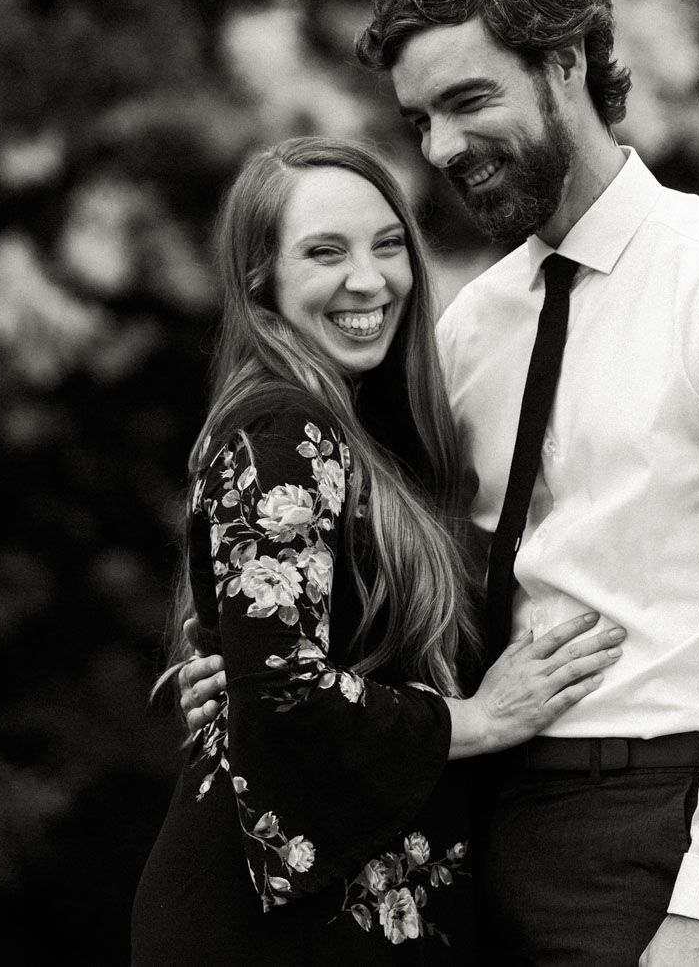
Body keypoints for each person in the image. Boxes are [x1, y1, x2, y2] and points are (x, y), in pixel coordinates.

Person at [181, 0, 699, 967]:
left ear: (564, 66)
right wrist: (265, 680)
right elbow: (396, 572)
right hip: (447, 819)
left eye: (467, 102)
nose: (441, 148)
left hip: (635, 821)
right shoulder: (465, 329)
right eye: (420, 121)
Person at [132, 135, 627, 965]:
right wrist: (474, 720)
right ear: (263, 281)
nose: (370, 280)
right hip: (272, 929)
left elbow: (277, 677)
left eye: (388, 244)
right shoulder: (284, 431)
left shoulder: (368, 439)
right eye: (325, 252)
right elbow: (286, 700)